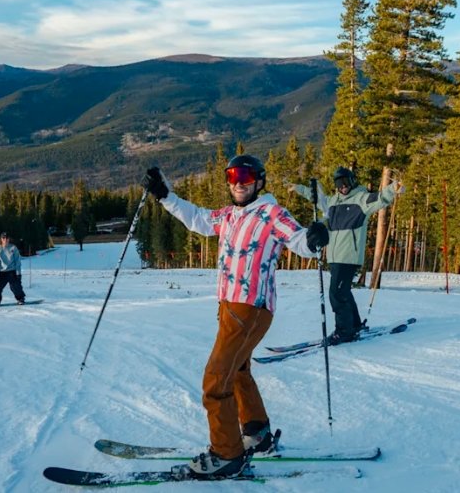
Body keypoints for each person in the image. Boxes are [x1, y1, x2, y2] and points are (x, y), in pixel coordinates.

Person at [141, 155, 328, 479]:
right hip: (230, 308)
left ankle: (227, 455)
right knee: (237, 370)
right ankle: (257, 434)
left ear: (259, 180)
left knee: (215, 380)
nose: (237, 182)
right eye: (231, 175)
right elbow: (198, 219)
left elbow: (297, 239)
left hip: (249, 307)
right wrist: (166, 196)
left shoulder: (271, 213)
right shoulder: (230, 215)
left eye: (245, 175)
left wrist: (313, 240)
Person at [290, 167, 402, 344]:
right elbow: (318, 199)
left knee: (336, 293)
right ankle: (354, 325)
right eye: (338, 183)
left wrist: (393, 188)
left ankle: (343, 332)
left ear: (352, 181)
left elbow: (380, 198)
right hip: (335, 257)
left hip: (349, 256)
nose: (343, 187)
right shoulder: (333, 202)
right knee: (343, 292)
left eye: (345, 182)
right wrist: (300, 188)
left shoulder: (361, 199)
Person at [0, 232, 26, 306]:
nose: (5, 239)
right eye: (3, 238)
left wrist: (18, 273)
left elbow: (17, 261)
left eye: (7, 238)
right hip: (1, 272)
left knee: (16, 286)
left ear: (9, 239)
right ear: (1, 239)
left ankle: (21, 299)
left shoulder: (13, 248)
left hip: (12, 271)